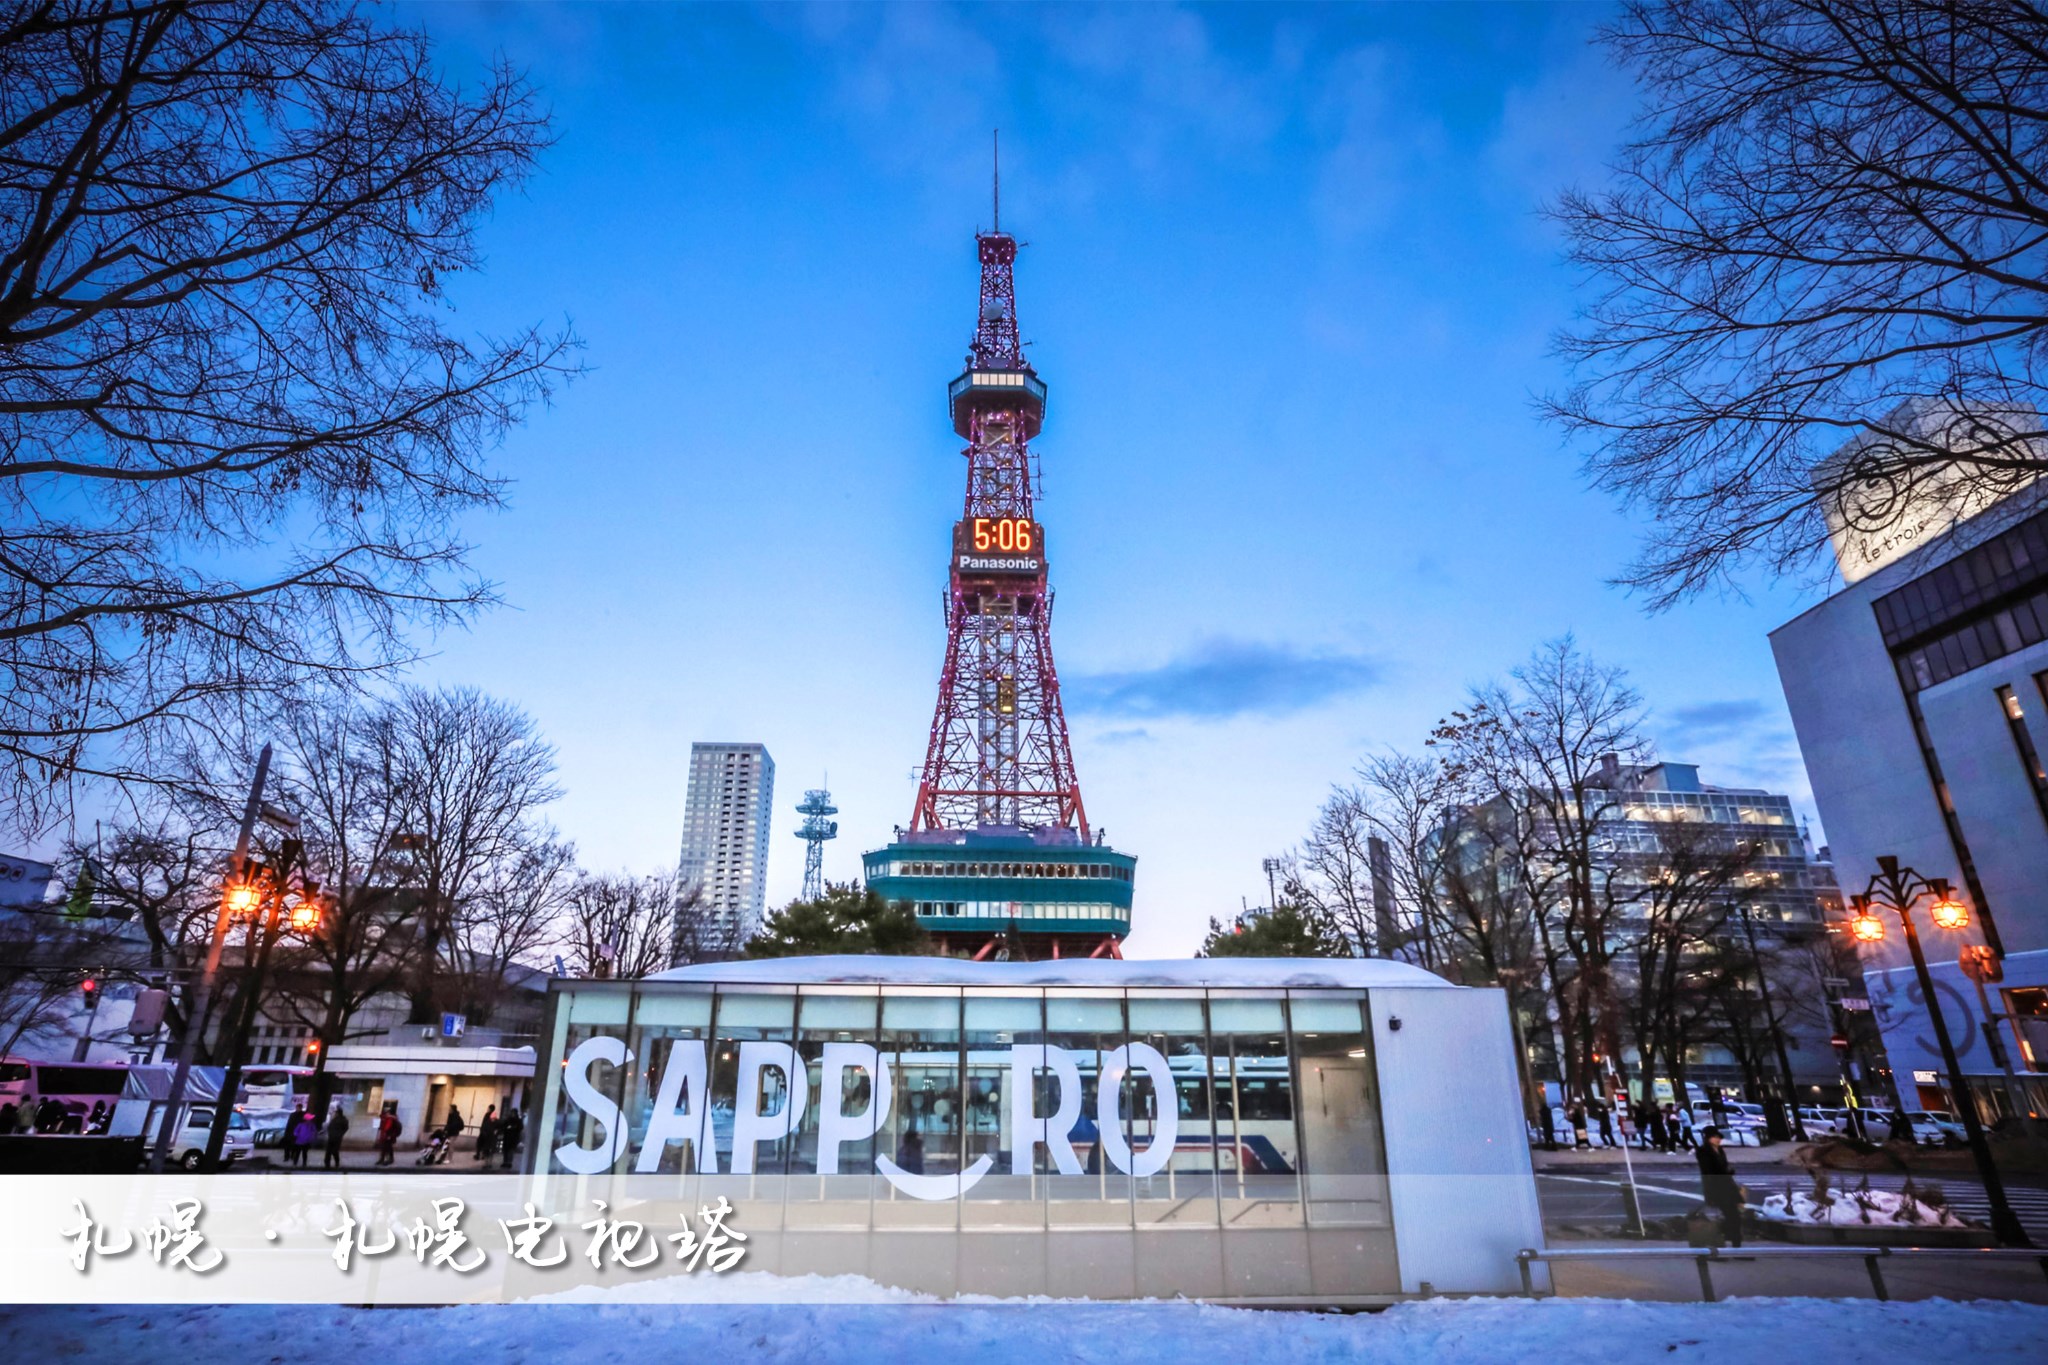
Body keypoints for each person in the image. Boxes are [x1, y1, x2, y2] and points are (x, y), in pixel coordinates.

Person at [1695, 1126, 1743, 1247]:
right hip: (1715, 1187)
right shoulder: (1703, 1151)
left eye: (1719, 1137)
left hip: (1728, 1187)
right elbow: (1708, 1170)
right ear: (1707, 1138)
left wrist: (1728, 1173)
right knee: (1721, 1219)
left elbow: (1723, 1167)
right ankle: (1717, 1245)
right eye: (1714, 1137)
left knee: (1734, 1217)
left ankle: (1736, 1246)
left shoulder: (1720, 1150)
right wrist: (1725, 1172)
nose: (1718, 1140)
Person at [322, 1104, 350, 1170]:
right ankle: (327, 1164)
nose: (335, 1114)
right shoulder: (333, 1120)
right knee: (328, 1151)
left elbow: (345, 1128)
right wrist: (329, 1133)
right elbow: (330, 1127)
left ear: (339, 1113)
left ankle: (336, 1162)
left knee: (334, 1151)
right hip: (331, 1137)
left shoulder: (343, 1120)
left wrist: (340, 1134)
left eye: (336, 1113)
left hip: (337, 1138)